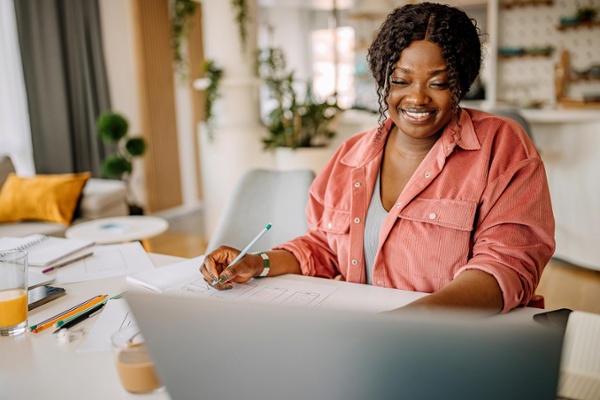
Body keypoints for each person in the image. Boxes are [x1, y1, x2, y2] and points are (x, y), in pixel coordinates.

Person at [201, 2, 555, 314]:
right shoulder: (351, 155)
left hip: (463, 343)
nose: (417, 98)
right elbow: (323, 246)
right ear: (384, 81)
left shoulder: (502, 146)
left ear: (461, 84)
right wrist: (257, 262)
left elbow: (507, 267)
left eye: (438, 83)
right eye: (401, 81)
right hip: (371, 338)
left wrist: (407, 324)